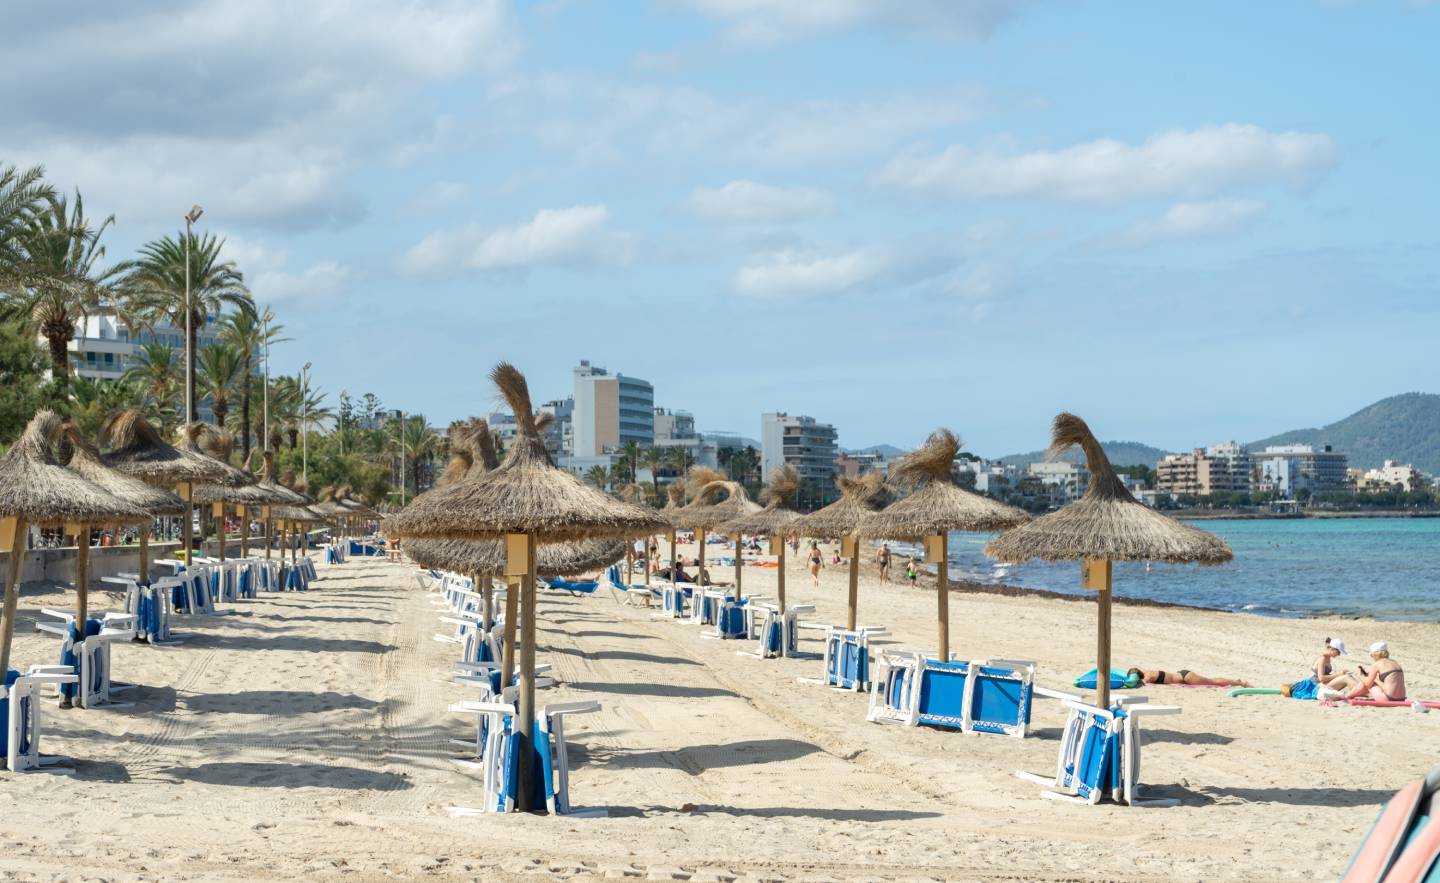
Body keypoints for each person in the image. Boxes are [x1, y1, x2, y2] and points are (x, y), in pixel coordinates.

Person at [1323, 642, 1406, 702]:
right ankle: (1346, 695)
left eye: (1371, 655)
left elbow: (1367, 685)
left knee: (1364, 684)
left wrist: (1361, 676)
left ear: (1376, 654)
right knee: (1371, 682)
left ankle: (1345, 696)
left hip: (1388, 698)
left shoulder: (1377, 664)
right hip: (1401, 698)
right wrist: (1375, 679)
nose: (1372, 657)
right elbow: (1390, 684)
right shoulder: (1395, 663)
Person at [1125, 667, 1250, 688]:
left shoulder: (1147, 677)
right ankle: (1236, 681)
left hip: (1186, 678)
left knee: (1213, 682)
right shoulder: (1148, 672)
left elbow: (1142, 682)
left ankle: (1238, 682)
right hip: (1182, 674)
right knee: (1212, 680)